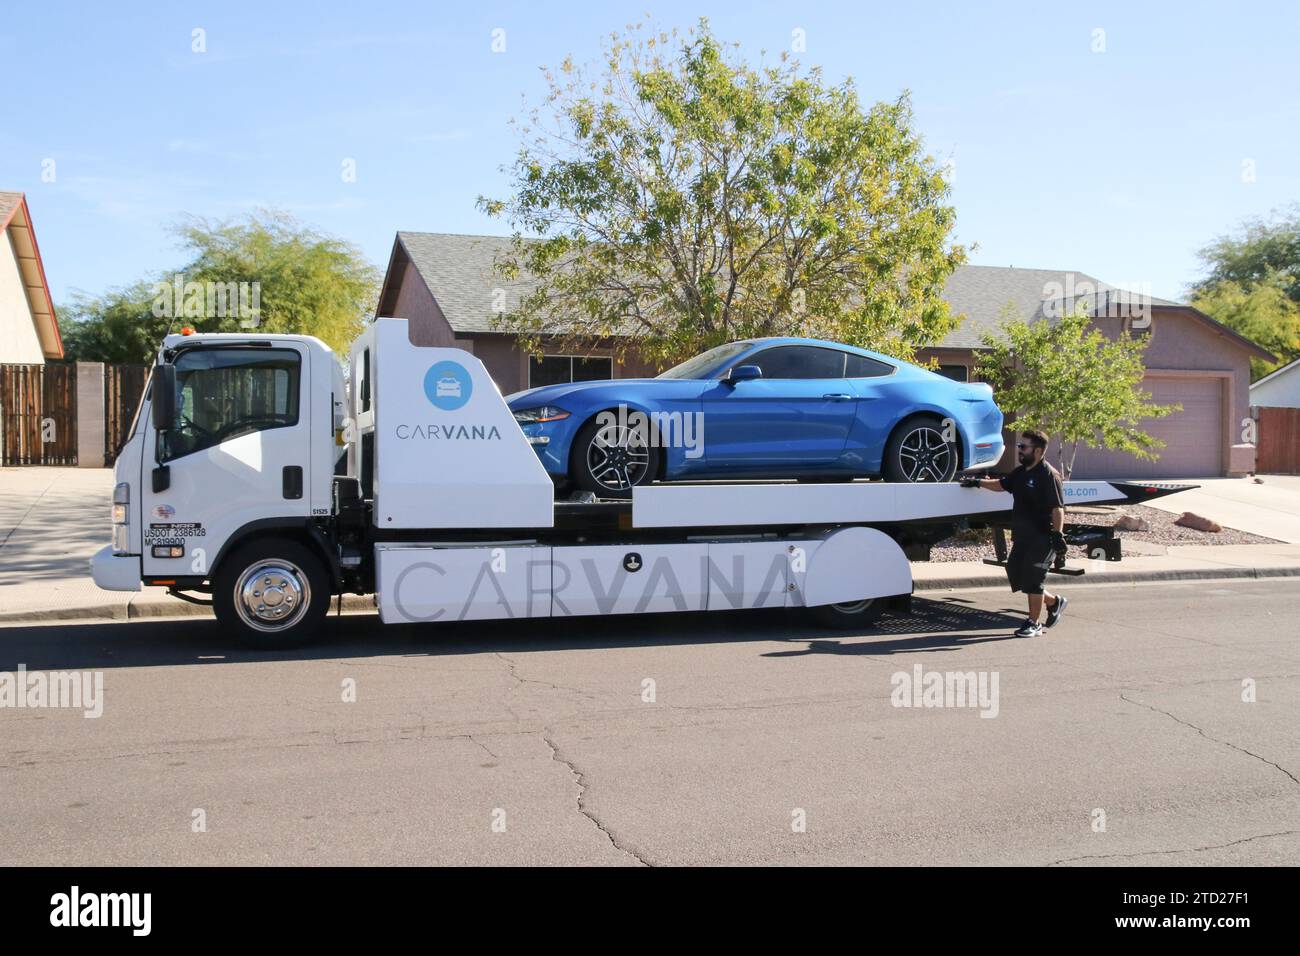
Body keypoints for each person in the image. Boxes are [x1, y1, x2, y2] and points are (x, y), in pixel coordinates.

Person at [962, 429, 1069, 637]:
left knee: (1034, 579)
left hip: (1043, 537)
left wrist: (1058, 535)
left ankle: (1033, 623)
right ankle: (1054, 602)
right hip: (1023, 535)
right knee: (1016, 572)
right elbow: (1002, 485)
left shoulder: (1048, 475)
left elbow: (1058, 508)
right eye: (1020, 446)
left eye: (1024, 447)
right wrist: (977, 483)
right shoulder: (1021, 473)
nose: (1019, 450)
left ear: (1038, 451)